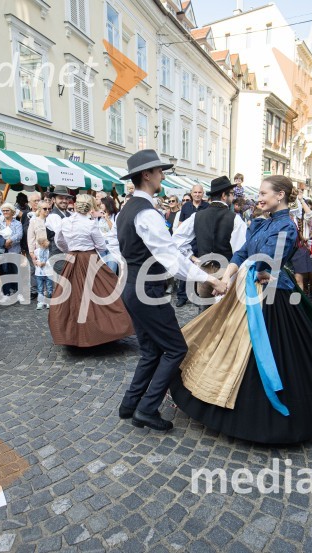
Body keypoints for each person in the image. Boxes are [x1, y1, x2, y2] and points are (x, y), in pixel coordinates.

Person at [169, 175, 312, 444]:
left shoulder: (286, 226)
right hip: (246, 288)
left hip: (270, 298)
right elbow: (241, 253)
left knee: (269, 352)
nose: (259, 197)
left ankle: (260, 414)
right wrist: (227, 277)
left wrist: (258, 270)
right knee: (222, 339)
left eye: (264, 193)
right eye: (260, 193)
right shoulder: (261, 222)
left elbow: (267, 263)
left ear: (281, 196)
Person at [111, 149, 226, 432]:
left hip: (134, 287)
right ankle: (146, 409)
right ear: (147, 175)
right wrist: (210, 280)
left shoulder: (127, 209)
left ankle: (129, 404)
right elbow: (172, 258)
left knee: (151, 350)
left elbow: (121, 250)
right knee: (175, 349)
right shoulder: (146, 213)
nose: (163, 175)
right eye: (160, 171)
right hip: (145, 290)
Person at [50, 194, 132, 347]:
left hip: (72, 259)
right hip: (90, 259)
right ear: (90, 207)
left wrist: (70, 250)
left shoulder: (65, 222)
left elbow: (59, 241)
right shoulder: (90, 224)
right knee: (102, 292)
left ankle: (73, 334)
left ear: (75, 205)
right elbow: (101, 246)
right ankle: (101, 332)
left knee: (71, 297)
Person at [173, 176, 247, 310]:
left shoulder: (197, 216)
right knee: (224, 314)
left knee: (204, 314)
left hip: (204, 271)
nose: (232, 197)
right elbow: (241, 252)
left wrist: (193, 258)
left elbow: (177, 240)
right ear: (224, 195)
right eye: (231, 194)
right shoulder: (235, 219)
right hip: (226, 273)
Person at [174, 184, 209, 307]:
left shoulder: (207, 207)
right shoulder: (186, 207)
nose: (197, 194)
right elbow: (181, 224)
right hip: (187, 243)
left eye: (200, 192)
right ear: (191, 193)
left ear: (203, 193)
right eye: (195, 192)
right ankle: (182, 296)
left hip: (200, 242)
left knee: (198, 269)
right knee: (185, 268)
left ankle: (195, 295)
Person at [0, 203, 24, 301]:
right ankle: (6, 293)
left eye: (7, 210)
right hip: (3, 251)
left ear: (12, 212)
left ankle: (18, 293)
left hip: (14, 250)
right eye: (3, 211)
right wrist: (4, 243)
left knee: (15, 271)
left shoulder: (17, 223)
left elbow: (19, 235)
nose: (5, 212)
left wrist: (9, 240)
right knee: (4, 272)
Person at [45, 186, 73, 276]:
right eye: (61, 198)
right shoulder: (53, 216)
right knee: (62, 285)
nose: (64, 200)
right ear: (53, 199)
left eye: (66, 198)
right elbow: (63, 234)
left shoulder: (69, 214)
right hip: (59, 256)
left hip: (69, 255)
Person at [96, 197, 119, 274]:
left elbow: (114, 230)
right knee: (103, 271)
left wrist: (107, 219)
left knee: (112, 270)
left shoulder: (115, 216)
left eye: (102, 203)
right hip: (101, 245)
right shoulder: (99, 217)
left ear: (108, 204)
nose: (101, 205)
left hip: (112, 245)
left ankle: (114, 286)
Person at [33, 236, 53, 309]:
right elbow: (35, 259)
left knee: (49, 288)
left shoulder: (49, 251)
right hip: (39, 272)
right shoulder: (36, 251)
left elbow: (50, 260)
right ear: (40, 243)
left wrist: (43, 263)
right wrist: (37, 262)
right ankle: (40, 302)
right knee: (40, 288)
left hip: (48, 272)